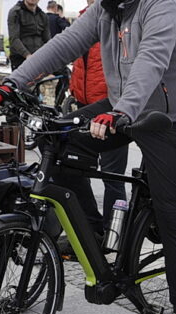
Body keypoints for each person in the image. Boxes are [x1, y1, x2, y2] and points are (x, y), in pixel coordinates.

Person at [0, 0, 176, 314]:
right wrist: (12, 82)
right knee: (56, 143)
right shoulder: (106, 10)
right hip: (121, 105)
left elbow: (151, 60)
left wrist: (122, 111)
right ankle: (93, 233)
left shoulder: (161, 7)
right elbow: (64, 43)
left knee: (170, 214)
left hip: (172, 118)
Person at [66, 0, 127, 230]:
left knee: (113, 175)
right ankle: (92, 226)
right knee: (73, 167)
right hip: (84, 103)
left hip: (111, 106)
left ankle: (114, 233)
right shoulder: (86, 16)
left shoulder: (117, 17)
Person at [7, 0, 48, 70]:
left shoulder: (43, 15)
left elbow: (47, 40)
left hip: (39, 58)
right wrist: (27, 55)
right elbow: (14, 39)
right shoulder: (15, 12)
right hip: (20, 58)